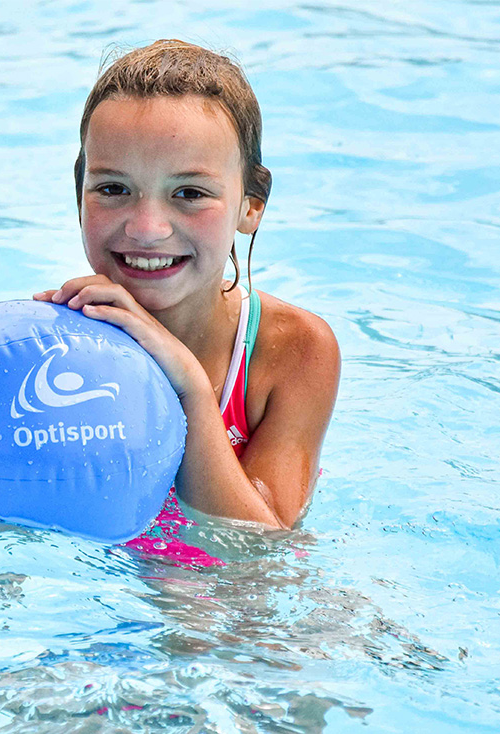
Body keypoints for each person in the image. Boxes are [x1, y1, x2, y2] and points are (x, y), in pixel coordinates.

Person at [35, 40, 340, 531]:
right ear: (80, 194)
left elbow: (260, 545)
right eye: (112, 188)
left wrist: (191, 387)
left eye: (190, 193)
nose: (147, 229)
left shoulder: (292, 349)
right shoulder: (45, 356)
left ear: (251, 206)